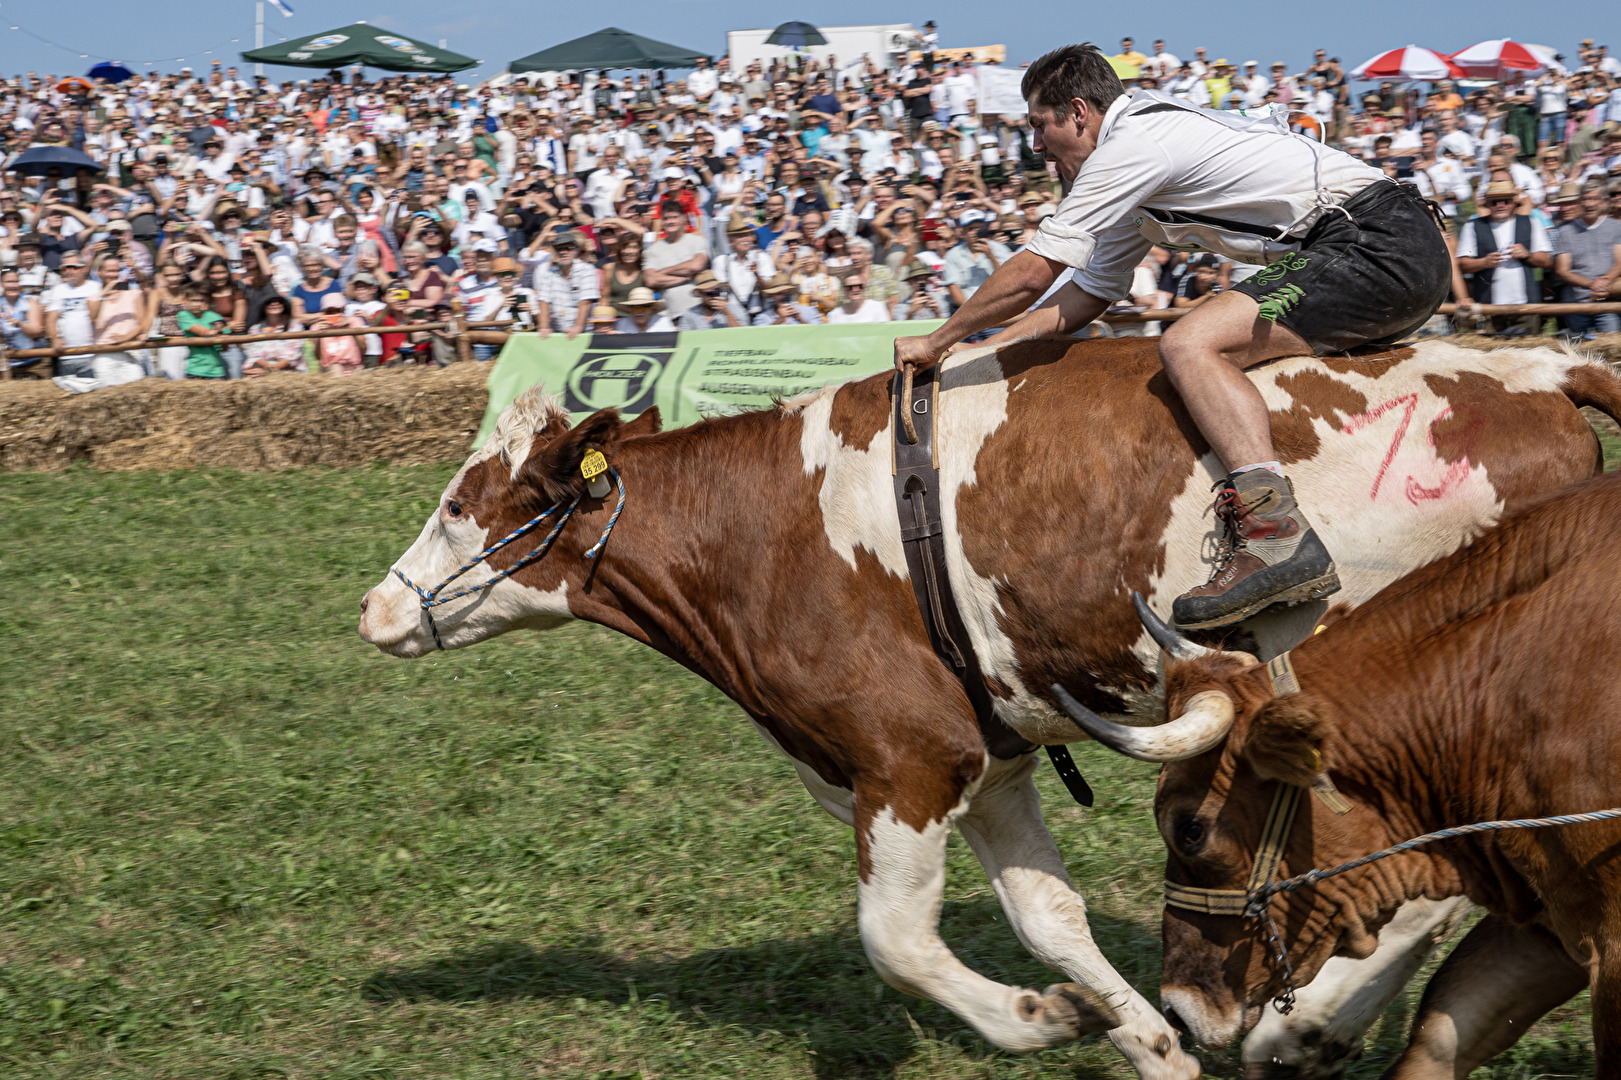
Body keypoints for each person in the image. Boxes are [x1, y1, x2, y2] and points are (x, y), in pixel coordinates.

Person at [893, 43, 1451, 630]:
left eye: (1039, 125)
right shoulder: (1136, 164)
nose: (1035, 147)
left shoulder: (1132, 146)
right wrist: (985, 351)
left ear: (1078, 112)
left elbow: (1036, 270)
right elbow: (1087, 294)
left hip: (1376, 240)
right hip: (1379, 239)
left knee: (1190, 344)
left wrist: (938, 339)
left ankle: (1274, 534)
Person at [1456, 178, 1553, 334]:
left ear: (1514, 202)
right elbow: (1462, 265)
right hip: (1489, 307)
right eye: (1494, 202)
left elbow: (1546, 260)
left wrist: (1526, 255)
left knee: (1529, 352)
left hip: (1525, 305)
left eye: (1506, 201)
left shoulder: (1531, 222)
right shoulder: (1472, 226)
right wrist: (1484, 262)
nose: (1500, 205)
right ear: (1486, 204)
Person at [1552, 180, 1621, 337]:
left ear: (1603, 202)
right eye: (1585, 199)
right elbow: (1562, 270)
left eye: (1594, 199)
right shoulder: (1565, 231)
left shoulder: (1615, 227)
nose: (1589, 204)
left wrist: (1604, 282)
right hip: (1576, 304)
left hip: (1607, 301)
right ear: (1580, 202)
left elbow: (1619, 263)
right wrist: (1592, 284)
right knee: (1579, 351)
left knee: (1612, 349)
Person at [43, 252, 101, 385]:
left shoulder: (95, 287)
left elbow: (99, 318)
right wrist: (54, 338)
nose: (69, 271)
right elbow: (51, 319)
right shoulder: (58, 290)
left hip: (92, 354)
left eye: (73, 267)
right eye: (65, 268)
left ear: (84, 268)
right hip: (66, 354)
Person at [241, 295, 306, 376]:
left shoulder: (295, 326)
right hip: (260, 370)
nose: (275, 303)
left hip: (289, 372)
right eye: (269, 301)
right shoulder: (255, 329)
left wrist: (270, 371)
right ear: (262, 307)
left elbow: (293, 355)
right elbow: (253, 354)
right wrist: (267, 369)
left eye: (279, 300)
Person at [177, 285, 229, 379]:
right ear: (186, 300)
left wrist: (223, 332)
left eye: (200, 300)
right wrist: (221, 330)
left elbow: (225, 347)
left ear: (205, 301)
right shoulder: (183, 315)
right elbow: (203, 332)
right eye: (193, 300)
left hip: (216, 370)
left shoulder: (214, 315)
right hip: (195, 369)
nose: (197, 304)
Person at [678, 269, 747, 329]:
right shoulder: (690, 314)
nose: (713, 297)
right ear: (700, 294)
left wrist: (727, 313)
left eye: (716, 292)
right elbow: (684, 340)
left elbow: (743, 336)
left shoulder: (736, 310)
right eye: (709, 293)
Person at [826, 275, 892, 323]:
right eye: (850, 287)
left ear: (863, 287)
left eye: (859, 286)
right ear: (844, 290)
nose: (855, 290)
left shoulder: (878, 307)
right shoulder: (834, 315)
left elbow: (884, 334)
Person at [612, 286, 676, 334]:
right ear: (630, 309)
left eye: (644, 307)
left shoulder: (663, 321)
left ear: (651, 309)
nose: (639, 311)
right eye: (634, 307)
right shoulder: (623, 324)